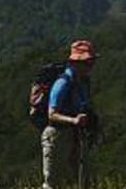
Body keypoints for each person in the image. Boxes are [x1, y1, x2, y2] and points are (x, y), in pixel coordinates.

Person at [43, 39, 98, 189]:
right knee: (53, 183)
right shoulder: (63, 83)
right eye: (87, 62)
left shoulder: (83, 81)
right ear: (76, 62)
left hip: (75, 134)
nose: (91, 66)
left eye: (91, 61)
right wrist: (73, 120)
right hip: (57, 135)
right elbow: (51, 114)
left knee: (84, 179)